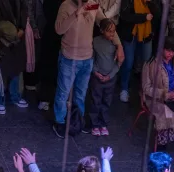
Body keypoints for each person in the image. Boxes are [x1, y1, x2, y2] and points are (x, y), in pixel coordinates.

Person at [52, 0, 125, 139]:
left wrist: (119, 45)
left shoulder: (93, 4)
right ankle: (59, 122)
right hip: (69, 57)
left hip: (87, 58)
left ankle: (78, 120)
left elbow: (106, 23)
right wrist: (77, 12)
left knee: (81, 93)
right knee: (63, 93)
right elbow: (58, 29)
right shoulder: (66, 5)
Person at [0, 0, 29, 114]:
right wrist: (0, 37)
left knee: (16, 68)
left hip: (17, 37)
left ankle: (14, 96)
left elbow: (24, 11)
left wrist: (22, 29)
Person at [116, 0, 160, 103]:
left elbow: (157, 15)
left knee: (146, 64)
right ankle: (124, 88)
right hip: (130, 35)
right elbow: (125, 16)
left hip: (146, 35)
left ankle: (145, 90)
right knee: (128, 63)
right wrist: (143, 17)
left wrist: (151, 3)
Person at [89, 19, 121, 136]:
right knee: (95, 101)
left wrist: (110, 76)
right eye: (109, 31)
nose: (112, 34)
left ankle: (103, 123)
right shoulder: (95, 41)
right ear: (102, 30)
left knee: (106, 102)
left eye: (113, 31)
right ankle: (94, 124)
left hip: (110, 79)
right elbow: (91, 58)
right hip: (97, 78)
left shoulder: (116, 44)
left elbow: (119, 63)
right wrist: (95, 72)